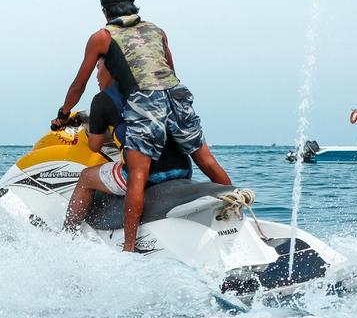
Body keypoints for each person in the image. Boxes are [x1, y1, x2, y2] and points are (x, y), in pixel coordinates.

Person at [52, 0, 227, 251]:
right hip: (176, 94)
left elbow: (78, 85)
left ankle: (129, 250)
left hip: (145, 100)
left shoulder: (102, 37)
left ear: (105, 11)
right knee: (207, 161)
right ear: (134, 4)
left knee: (137, 174)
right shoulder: (157, 30)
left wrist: (63, 114)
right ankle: (240, 213)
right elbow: (169, 68)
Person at [62, 60, 232, 233]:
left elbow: (95, 146)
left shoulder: (104, 99)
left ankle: (69, 234)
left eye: (98, 69)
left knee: (86, 177)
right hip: (182, 169)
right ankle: (233, 208)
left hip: (149, 176)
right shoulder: (162, 93)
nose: (96, 76)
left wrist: (96, 126)